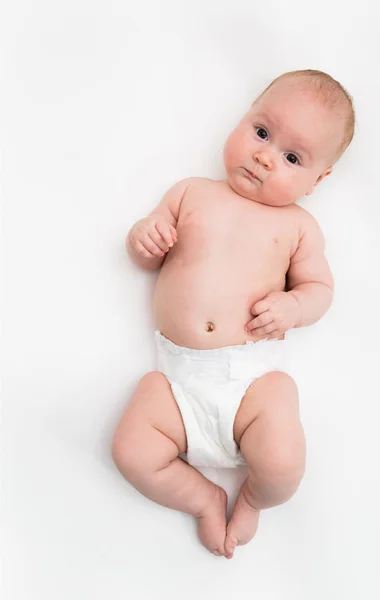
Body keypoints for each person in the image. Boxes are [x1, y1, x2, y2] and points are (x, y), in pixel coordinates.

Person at [111, 69, 355, 559]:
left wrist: (293, 306)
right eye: (261, 132)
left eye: (292, 158)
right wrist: (145, 235)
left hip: (248, 386)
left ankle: (252, 500)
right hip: (176, 384)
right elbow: (145, 257)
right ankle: (202, 499)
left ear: (317, 180)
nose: (265, 156)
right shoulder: (189, 193)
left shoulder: (298, 227)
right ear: (243, 118)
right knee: (131, 452)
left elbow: (320, 290)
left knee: (283, 468)